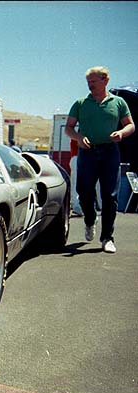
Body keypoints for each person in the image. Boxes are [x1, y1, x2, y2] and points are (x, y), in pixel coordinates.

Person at [65, 66, 135, 253]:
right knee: (84, 191)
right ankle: (90, 220)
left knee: (110, 196)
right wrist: (79, 138)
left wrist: (121, 133)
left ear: (105, 80)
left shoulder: (118, 103)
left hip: (110, 152)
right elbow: (68, 128)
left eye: (93, 82)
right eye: (88, 82)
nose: (90, 86)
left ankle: (107, 238)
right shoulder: (80, 103)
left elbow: (131, 126)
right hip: (87, 153)